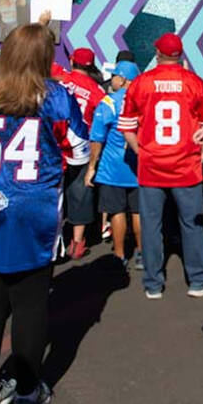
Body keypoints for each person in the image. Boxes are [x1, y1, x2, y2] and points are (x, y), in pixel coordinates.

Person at [0, 22, 90, 404]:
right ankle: (28, 391)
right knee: (30, 304)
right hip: (33, 206)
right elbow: (78, 152)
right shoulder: (56, 97)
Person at [119, 33, 203, 299]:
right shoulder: (194, 83)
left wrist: (142, 152)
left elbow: (126, 127)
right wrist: (201, 154)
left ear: (158, 53)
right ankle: (197, 280)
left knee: (151, 226)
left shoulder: (141, 83)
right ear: (180, 55)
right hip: (186, 165)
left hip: (151, 166)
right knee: (192, 225)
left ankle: (152, 284)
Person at [83, 60, 143, 268]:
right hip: (139, 165)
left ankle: (119, 255)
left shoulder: (109, 102)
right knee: (138, 211)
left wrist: (92, 166)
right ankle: (141, 253)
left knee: (117, 211)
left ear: (123, 79)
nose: (113, 80)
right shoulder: (144, 100)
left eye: (116, 76)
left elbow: (97, 137)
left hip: (113, 167)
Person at [57, 47, 107, 258]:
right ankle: (77, 242)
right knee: (80, 192)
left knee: (54, 193)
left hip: (55, 142)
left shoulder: (60, 77)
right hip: (82, 146)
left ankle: (53, 238)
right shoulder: (98, 91)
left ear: (71, 60)